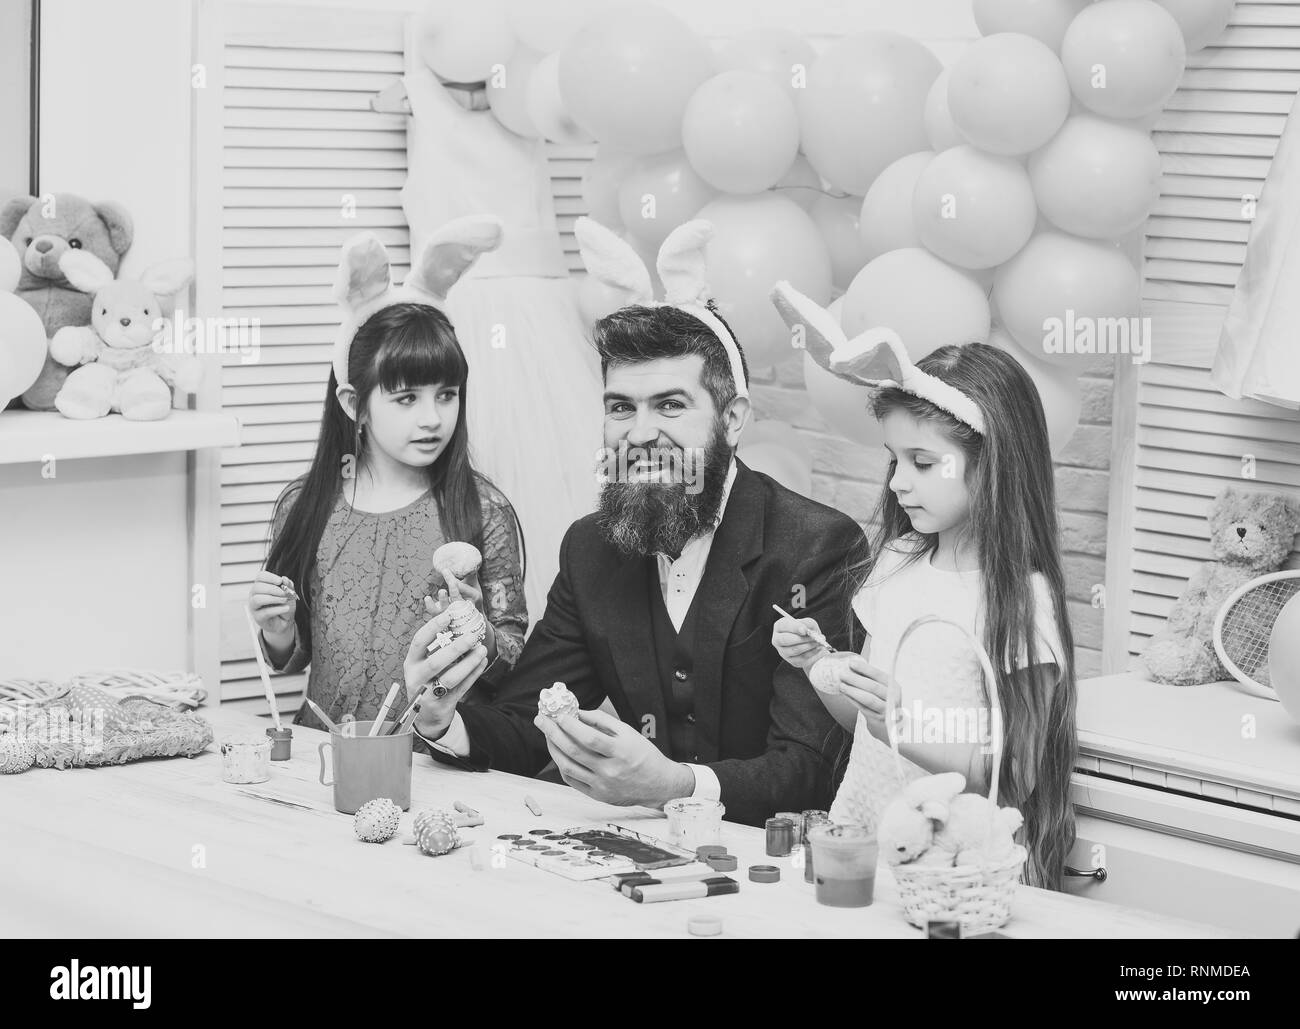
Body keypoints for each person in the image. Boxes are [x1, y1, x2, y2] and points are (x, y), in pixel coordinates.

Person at [406, 218, 867, 827]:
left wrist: (674, 785)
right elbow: (523, 723)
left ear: (732, 419)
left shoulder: (817, 547)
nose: (640, 432)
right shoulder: (590, 549)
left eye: (670, 405)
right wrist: (439, 715)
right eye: (621, 407)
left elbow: (815, 766)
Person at [770, 282, 1078, 890]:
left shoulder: (1021, 601)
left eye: (923, 462)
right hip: (866, 842)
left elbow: (1013, 773)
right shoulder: (899, 562)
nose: (898, 484)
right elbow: (866, 727)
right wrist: (822, 670)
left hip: (950, 870)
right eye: (894, 461)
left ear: (993, 462)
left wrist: (905, 723)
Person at [248, 222, 527, 733]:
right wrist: (280, 629)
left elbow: (513, 656)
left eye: (446, 394)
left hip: (432, 760)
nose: (432, 418)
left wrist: (476, 629)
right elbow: (296, 654)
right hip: (325, 758)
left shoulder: (481, 508)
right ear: (354, 403)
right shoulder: (304, 506)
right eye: (406, 398)